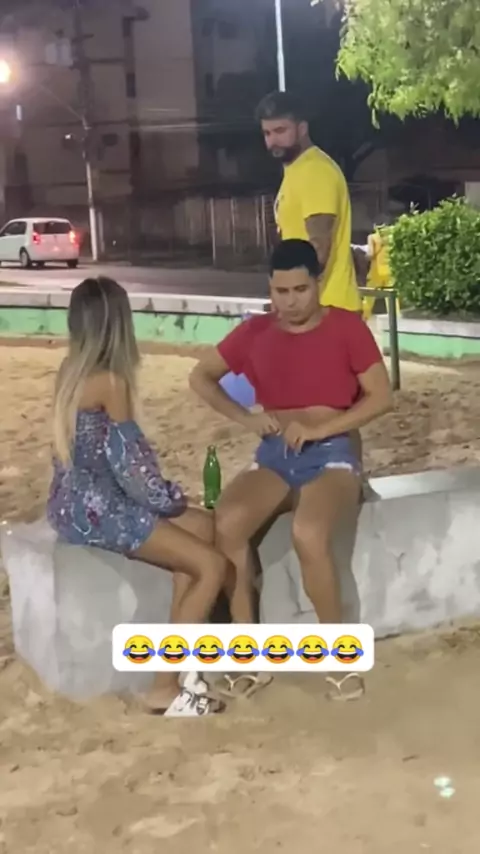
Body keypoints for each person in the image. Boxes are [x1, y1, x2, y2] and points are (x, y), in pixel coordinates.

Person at [189, 240, 393, 701]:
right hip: (275, 454)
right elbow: (200, 377)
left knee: (307, 531)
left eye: (300, 289)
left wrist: (322, 429)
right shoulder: (256, 332)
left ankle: (338, 658)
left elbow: (381, 398)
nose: (291, 301)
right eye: (281, 291)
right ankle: (248, 654)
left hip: (333, 452)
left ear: (317, 284)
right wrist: (245, 418)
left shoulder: (346, 326)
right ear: (270, 288)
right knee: (227, 523)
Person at [47, 277, 229, 717]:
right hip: (100, 508)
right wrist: (173, 499)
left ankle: (180, 660)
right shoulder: (112, 382)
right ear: (119, 326)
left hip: (69, 503)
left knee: (201, 530)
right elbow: (134, 469)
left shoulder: (70, 370)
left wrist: (176, 507)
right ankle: (162, 687)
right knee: (212, 566)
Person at [255, 90, 361, 314]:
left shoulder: (315, 171)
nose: (273, 140)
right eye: (267, 133)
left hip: (327, 310)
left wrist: (288, 298)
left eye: (281, 130)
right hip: (314, 309)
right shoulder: (298, 170)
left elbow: (318, 249)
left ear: (302, 129)